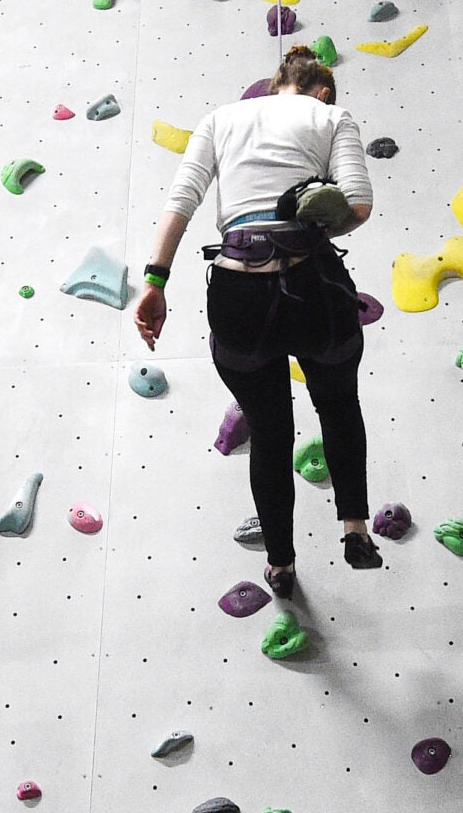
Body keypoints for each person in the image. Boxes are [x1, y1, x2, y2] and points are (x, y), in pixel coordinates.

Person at [134, 46, 378, 597]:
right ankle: (355, 530)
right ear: (321, 91)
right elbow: (358, 205)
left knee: (269, 433)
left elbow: (183, 198)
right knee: (339, 406)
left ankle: (281, 565)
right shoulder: (332, 116)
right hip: (314, 286)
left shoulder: (220, 118)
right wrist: (308, 232)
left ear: (275, 86)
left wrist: (156, 281)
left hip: (238, 290)